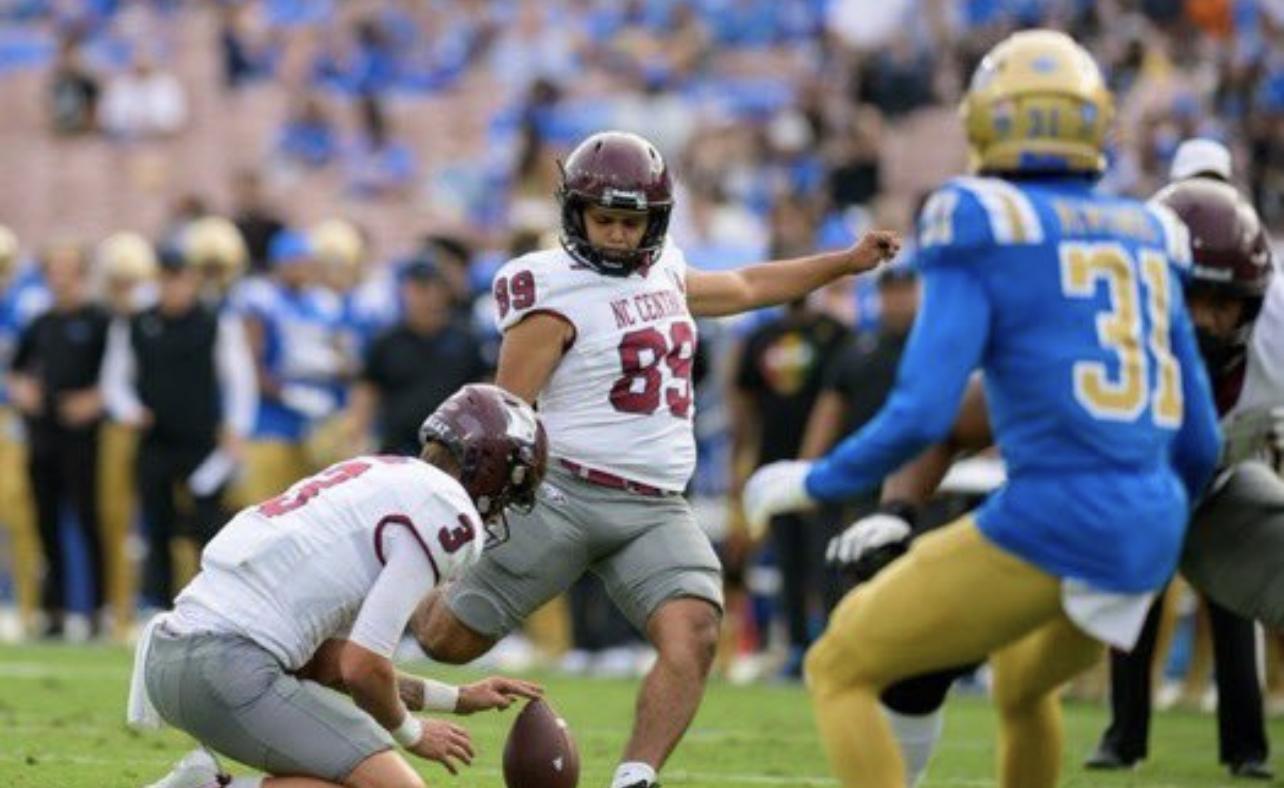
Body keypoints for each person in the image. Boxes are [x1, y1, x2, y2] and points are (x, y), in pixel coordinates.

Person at [743, 30, 1222, 788]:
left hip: (1054, 516)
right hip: (1152, 524)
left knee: (840, 664)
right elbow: (1199, 440)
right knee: (1025, 685)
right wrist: (1154, 522)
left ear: (987, 120)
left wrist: (816, 481)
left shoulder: (980, 216)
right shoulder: (1151, 229)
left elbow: (923, 412)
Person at [411, 129, 900, 788]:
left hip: (654, 506)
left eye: (629, 219)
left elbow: (748, 283)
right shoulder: (546, 284)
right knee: (448, 642)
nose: (616, 233)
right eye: (604, 218)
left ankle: (636, 778)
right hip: (561, 495)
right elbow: (508, 411)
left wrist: (841, 263)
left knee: (695, 630)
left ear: (656, 218)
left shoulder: (665, 264)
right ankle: (386, 596)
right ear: (574, 212)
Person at [807, 162, 1283, 785]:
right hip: (1097, 510)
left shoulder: (1272, 341)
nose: (1206, 321)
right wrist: (896, 511)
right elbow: (952, 422)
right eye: (1191, 296)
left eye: (1224, 303)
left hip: (1212, 494)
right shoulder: (1086, 327)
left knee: (862, 663)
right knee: (984, 673)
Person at [131, 384, 548, 788]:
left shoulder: (380, 471)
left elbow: (331, 664)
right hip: (226, 668)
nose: (505, 504)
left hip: (169, 663)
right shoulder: (446, 510)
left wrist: (456, 699)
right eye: (513, 486)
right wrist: (413, 734)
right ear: (490, 470)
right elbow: (362, 668)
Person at [102, 247, 257, 609]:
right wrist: (129, 410)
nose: (174, 288)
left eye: (180, 279)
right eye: (166, 279)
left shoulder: (215, 321)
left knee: (208, 523)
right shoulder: (136, 322)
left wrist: (237, 426)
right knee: (157, 523)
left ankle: (213, 604)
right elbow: (115, 378)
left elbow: (239, 378)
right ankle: (159, 605)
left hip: (202, 440)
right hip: (154, 438)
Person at [10, 241, 112, 640]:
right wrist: (22, 390)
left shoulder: (99, 320)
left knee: (88, 519)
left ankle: (98, 609)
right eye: (54, 270)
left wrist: (96, 399)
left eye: (68, 269)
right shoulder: (42, 322)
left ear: (81, 274)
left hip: (84, 437)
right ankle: (53, 609)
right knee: (46, 521)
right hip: (44, 433)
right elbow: (16, 370)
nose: (61, 278)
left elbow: (119, 371)